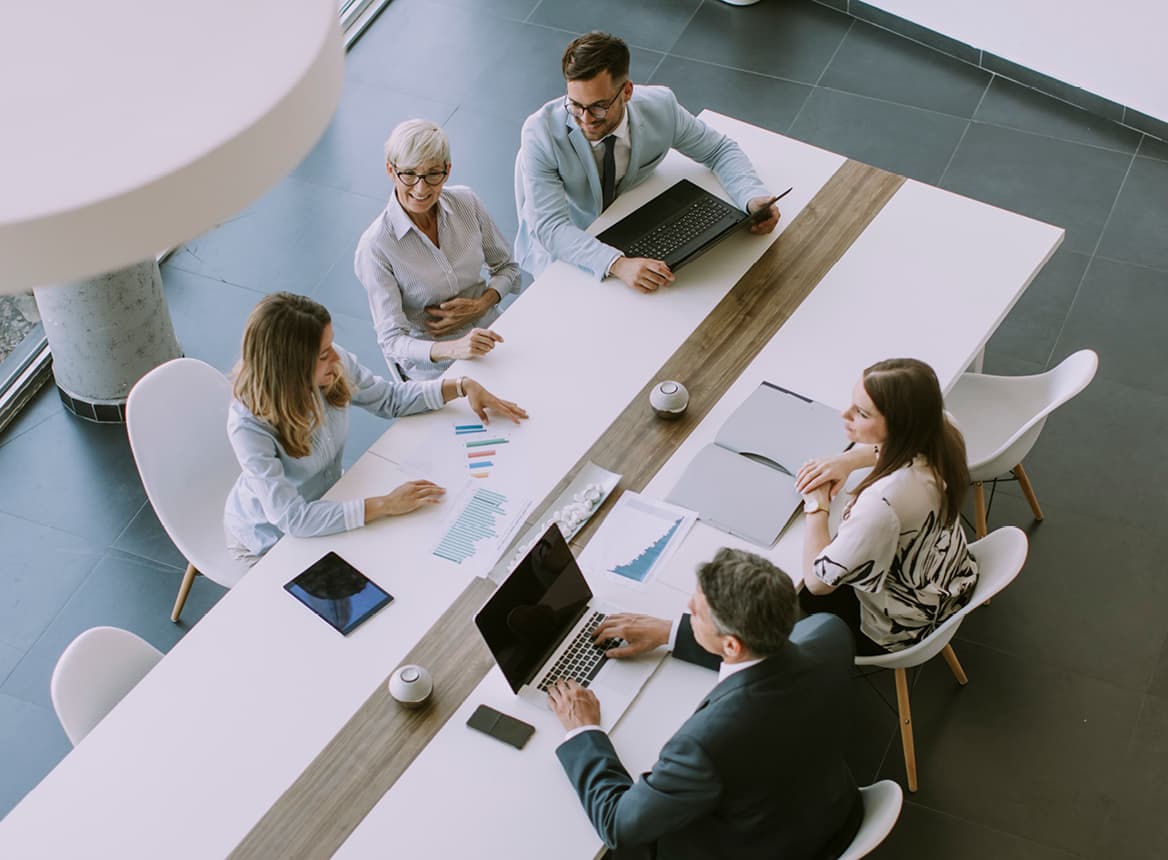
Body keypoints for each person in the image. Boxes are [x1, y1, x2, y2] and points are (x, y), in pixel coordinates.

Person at [547, 548, 862, 860]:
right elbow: (779, 651)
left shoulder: (703, 745)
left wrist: (583, 731)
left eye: (696, 612)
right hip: (835, 814)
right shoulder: (830, 634)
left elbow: (618, 824)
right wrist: (671, 633)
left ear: (731, 644)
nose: (687, 607)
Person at [223, 292, 527, 563]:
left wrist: (461, 386)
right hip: (269, 541)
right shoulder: (249, 426)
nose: (336, 358)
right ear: (290, 367)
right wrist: (385, 505)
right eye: (324, 354)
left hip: (333, 497)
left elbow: (390, 399)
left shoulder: (329, 366)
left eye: (331, 346)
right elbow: (291, 518)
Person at [514, 31, 782, 292]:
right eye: (575, 105)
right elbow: (551, 227)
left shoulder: (661, 106)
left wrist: (752, 196)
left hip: (631, 219)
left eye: (599, 106)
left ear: (627, 91)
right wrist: (617, 264)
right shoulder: (540, 133)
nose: (585, 119)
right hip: (571, 236)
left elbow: (719, 150)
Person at [795, 358, 979, 655]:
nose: (845, 414)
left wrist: (816, 504)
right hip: (949, 575)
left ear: (900, 425)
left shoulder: (883, 503)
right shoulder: (944, 428)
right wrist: (847, 460)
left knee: (798, 595)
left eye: (862, 413)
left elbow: (818, 583)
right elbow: (898, 448)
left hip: (897, 628)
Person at [355, 119, 521, 380]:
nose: (421, 189)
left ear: (447, 170)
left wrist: (481, 304)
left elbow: (508, 267)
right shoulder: (376, 247)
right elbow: (392, 341)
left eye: (433, 174)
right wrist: (454, 349)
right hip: (436, 368)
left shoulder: (467, 202)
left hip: (494, 334)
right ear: (390, 170)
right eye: (409, 174)